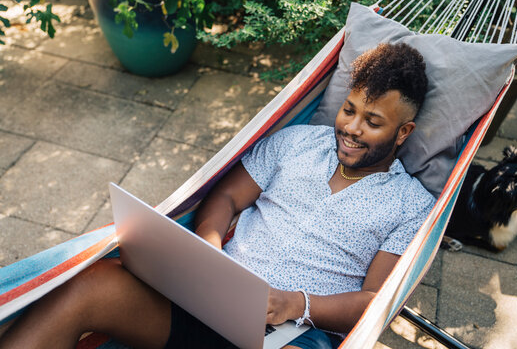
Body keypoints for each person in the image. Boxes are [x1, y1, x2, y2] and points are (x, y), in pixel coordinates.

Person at [0, 42, 435, 349]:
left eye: (373, 122)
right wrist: (207, 248)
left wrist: (293, 304)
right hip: (211, 301)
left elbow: (375, 301)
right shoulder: (297, 143)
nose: (352, 129)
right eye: (349, 110)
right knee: (90, 284)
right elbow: (226, 197)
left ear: (403, 133)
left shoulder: (411, 205)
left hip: (294, 333)